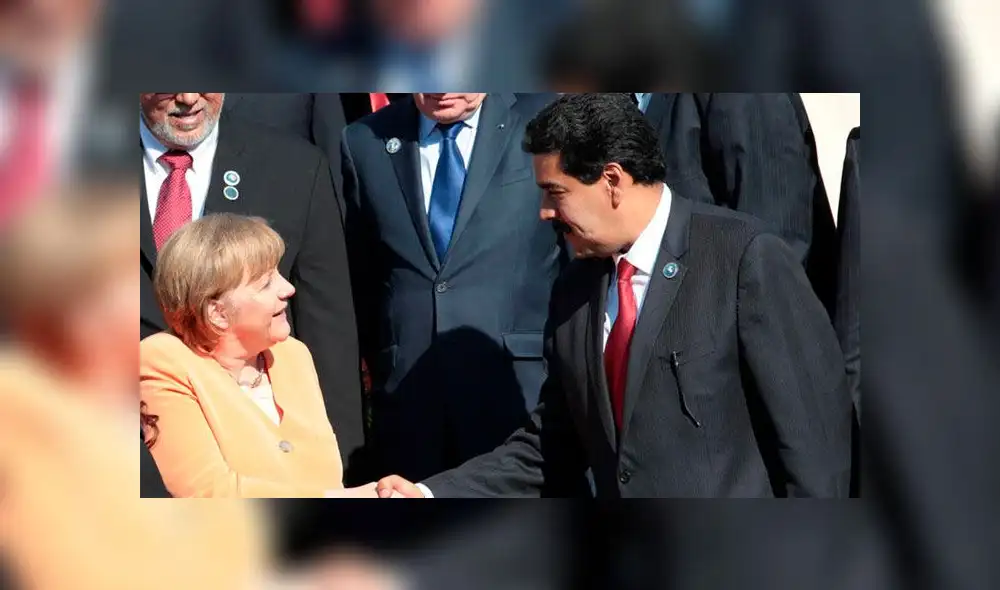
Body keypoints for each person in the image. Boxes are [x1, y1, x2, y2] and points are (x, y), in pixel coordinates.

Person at [376, 93, 852, 498]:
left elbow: (816, 447)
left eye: (554, 193)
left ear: (612, 181)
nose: (544, 213)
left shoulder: (745, 258)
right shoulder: (575, 290)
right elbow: (551, 448)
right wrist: (426, 492)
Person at [0, 194, 271, 589]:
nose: (153, 301)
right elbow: (64, 568)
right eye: (126, 283)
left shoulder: (142, 390)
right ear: (74, 308)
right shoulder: (22, 419)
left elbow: (231, 537)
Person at [342, 92, 572, 484]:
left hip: (518, 389)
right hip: (410, 399)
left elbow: (578, 251)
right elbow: (363, 274)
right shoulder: (365, 141)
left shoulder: (547, 120)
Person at [139, 93, 365, 482]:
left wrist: (344, 477)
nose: (190, 98)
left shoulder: (293, 167)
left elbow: (328, 331)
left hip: (260, 464)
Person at [141, 213, 375, 498]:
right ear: (218, 313)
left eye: (279, 274)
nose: (288, 289)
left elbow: (327, 476)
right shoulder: (162, 360)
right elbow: (205, 491)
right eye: (265, 283)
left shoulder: (292, 354)